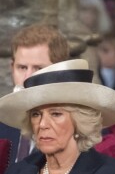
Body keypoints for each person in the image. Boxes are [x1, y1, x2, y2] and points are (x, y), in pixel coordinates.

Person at [0, 24, 70, 165]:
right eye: (22, 67)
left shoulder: (78, 124)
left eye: (38, 68)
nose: (27, 77)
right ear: (12, 68)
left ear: (61, 70)